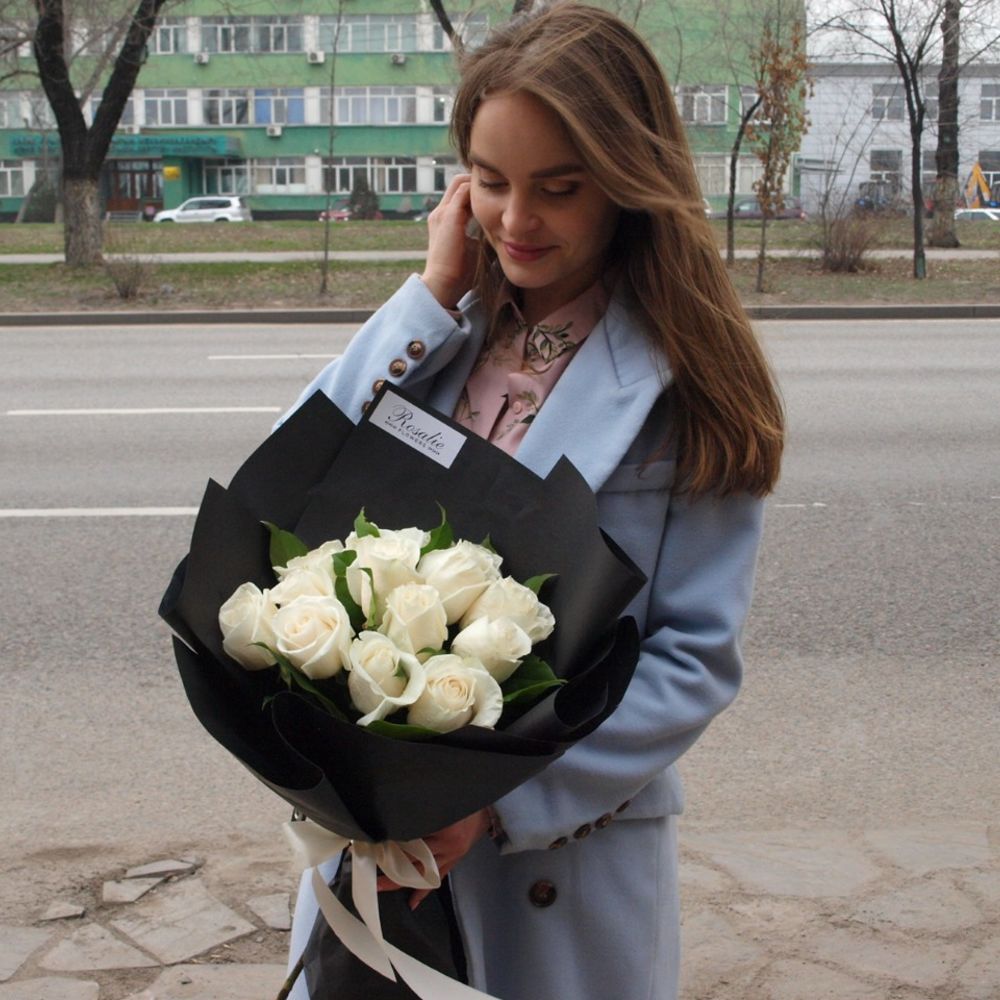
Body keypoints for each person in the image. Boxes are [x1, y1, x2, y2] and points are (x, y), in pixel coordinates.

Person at [284, 3, 783, 998]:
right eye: (491, 181)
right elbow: (294, 482)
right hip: (380, 851)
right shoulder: (440, 334)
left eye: (558, 187)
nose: (515, 221)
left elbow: (691, 656)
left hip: (559, 863)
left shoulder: (690, 383)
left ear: (628, 180)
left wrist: (499, 802)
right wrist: (427, 296)